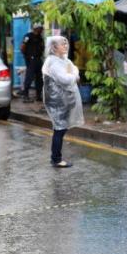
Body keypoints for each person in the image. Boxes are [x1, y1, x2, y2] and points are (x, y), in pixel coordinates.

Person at [42, 36, 83, 168]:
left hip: (63, 99)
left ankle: (56, 157)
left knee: (61, 128)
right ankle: (56, 159)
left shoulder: (63, 59)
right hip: (57, 101)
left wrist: (73, 73)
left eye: (66, 43)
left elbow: (74, 68)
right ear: (54, 48)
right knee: (59, 129)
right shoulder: (53, 62)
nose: (66, 45)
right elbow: (65, 79)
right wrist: (74, 75)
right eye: (62, 44)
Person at [20, 23, 45, 103]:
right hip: (31, 59)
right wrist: (27, 56)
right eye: (40, 28)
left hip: (38, 59)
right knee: (29, 77)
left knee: (39, 78)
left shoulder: (40, 38)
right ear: (35, 29)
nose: (41, 30)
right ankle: (25, 95)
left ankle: (38, 95)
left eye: (41, 28)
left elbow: (42, 48)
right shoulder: (28, 36)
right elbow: (23, 47)